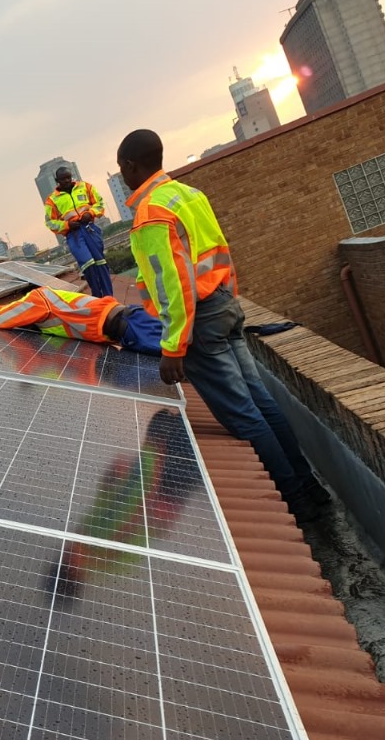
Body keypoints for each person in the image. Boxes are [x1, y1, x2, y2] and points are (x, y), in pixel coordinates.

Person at [116, 128, 330, 521]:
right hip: (224, 305)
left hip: (200, 320)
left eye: (121, 169)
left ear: (130, 166)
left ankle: (296, 501)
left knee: (242, 414)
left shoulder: (151, 214)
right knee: (261, 402)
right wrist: (229, 300)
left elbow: (173, 285)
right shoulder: (189, 195)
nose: (122, 176)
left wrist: (173, 346)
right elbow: (221, 250)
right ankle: (310, 487)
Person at [0, 286, 162, 355]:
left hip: (132, 324)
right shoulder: (42, 323)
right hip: (125, 335)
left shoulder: (37, 300)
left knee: (177, 354)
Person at [44, 168, 111, 297]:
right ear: (57, 181)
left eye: (69, 177)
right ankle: (98, 295)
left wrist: (90, 213)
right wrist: (67, 225)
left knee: (100, 263)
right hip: (73, 234)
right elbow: (50, 222)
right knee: (87, 264)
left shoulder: (86, 187)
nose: (67, 180)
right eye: (63, 179)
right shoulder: (52, 200)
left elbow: (100, 203)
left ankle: (109, 296)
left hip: (89, 228)